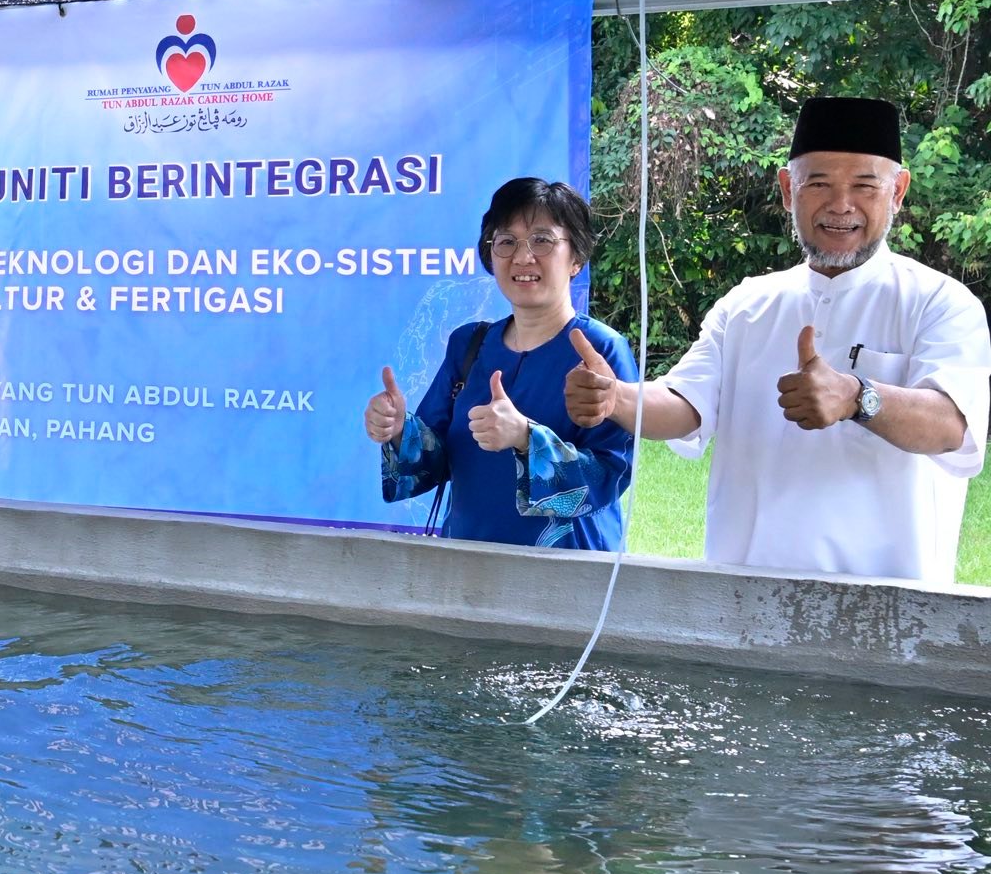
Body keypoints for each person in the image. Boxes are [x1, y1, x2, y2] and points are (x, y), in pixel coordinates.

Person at [565, 97, 991, 583]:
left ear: (898, 192)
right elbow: (686, 403)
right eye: (819, 183)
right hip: (743, 595)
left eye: (864, 185)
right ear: (789, 189)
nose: (841, 204)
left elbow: (952, 425)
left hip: (888, 606)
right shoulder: (747, 305)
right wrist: (618, 398)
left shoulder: (938, 302)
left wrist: (858, 397)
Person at [365, 177, 638, 548]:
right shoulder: (469, 344)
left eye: (542, 240)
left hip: (568, 569)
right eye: (506, 242)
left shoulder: (601, 349)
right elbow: (432, 461)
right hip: (466, 560)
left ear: (576, 258)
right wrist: (399, 429)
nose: (523, 257)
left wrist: (526, 437)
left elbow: (611, 475)